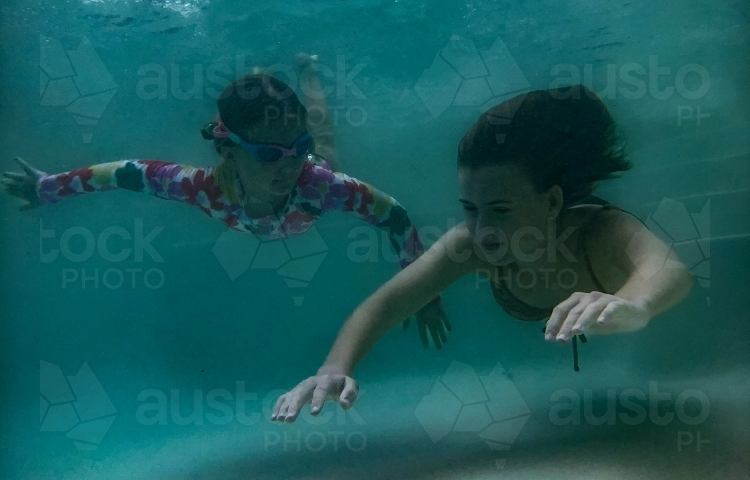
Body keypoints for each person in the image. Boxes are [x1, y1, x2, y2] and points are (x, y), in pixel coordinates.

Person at [271, 86, 695, 422]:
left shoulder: (597, 231)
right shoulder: (471, 245)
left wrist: (636, 305)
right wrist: (333, 367)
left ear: (550, 202)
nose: (482, 228)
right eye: (470, 209)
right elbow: (388, 303)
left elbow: (670, 269)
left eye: (500, 209)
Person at [3, 54, 449, 347]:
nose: (289, 164)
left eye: (296, 147)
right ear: (228, 150)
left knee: (324, 144)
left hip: (314, 185)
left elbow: (396, 216)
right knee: (319, 143)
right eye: (271, 154)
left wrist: (422, 291)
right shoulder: (199, 187)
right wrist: (48, 188)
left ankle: (307, 71)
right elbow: (121, 173)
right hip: (263, 206)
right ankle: (279, 81)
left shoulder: (319, 184)